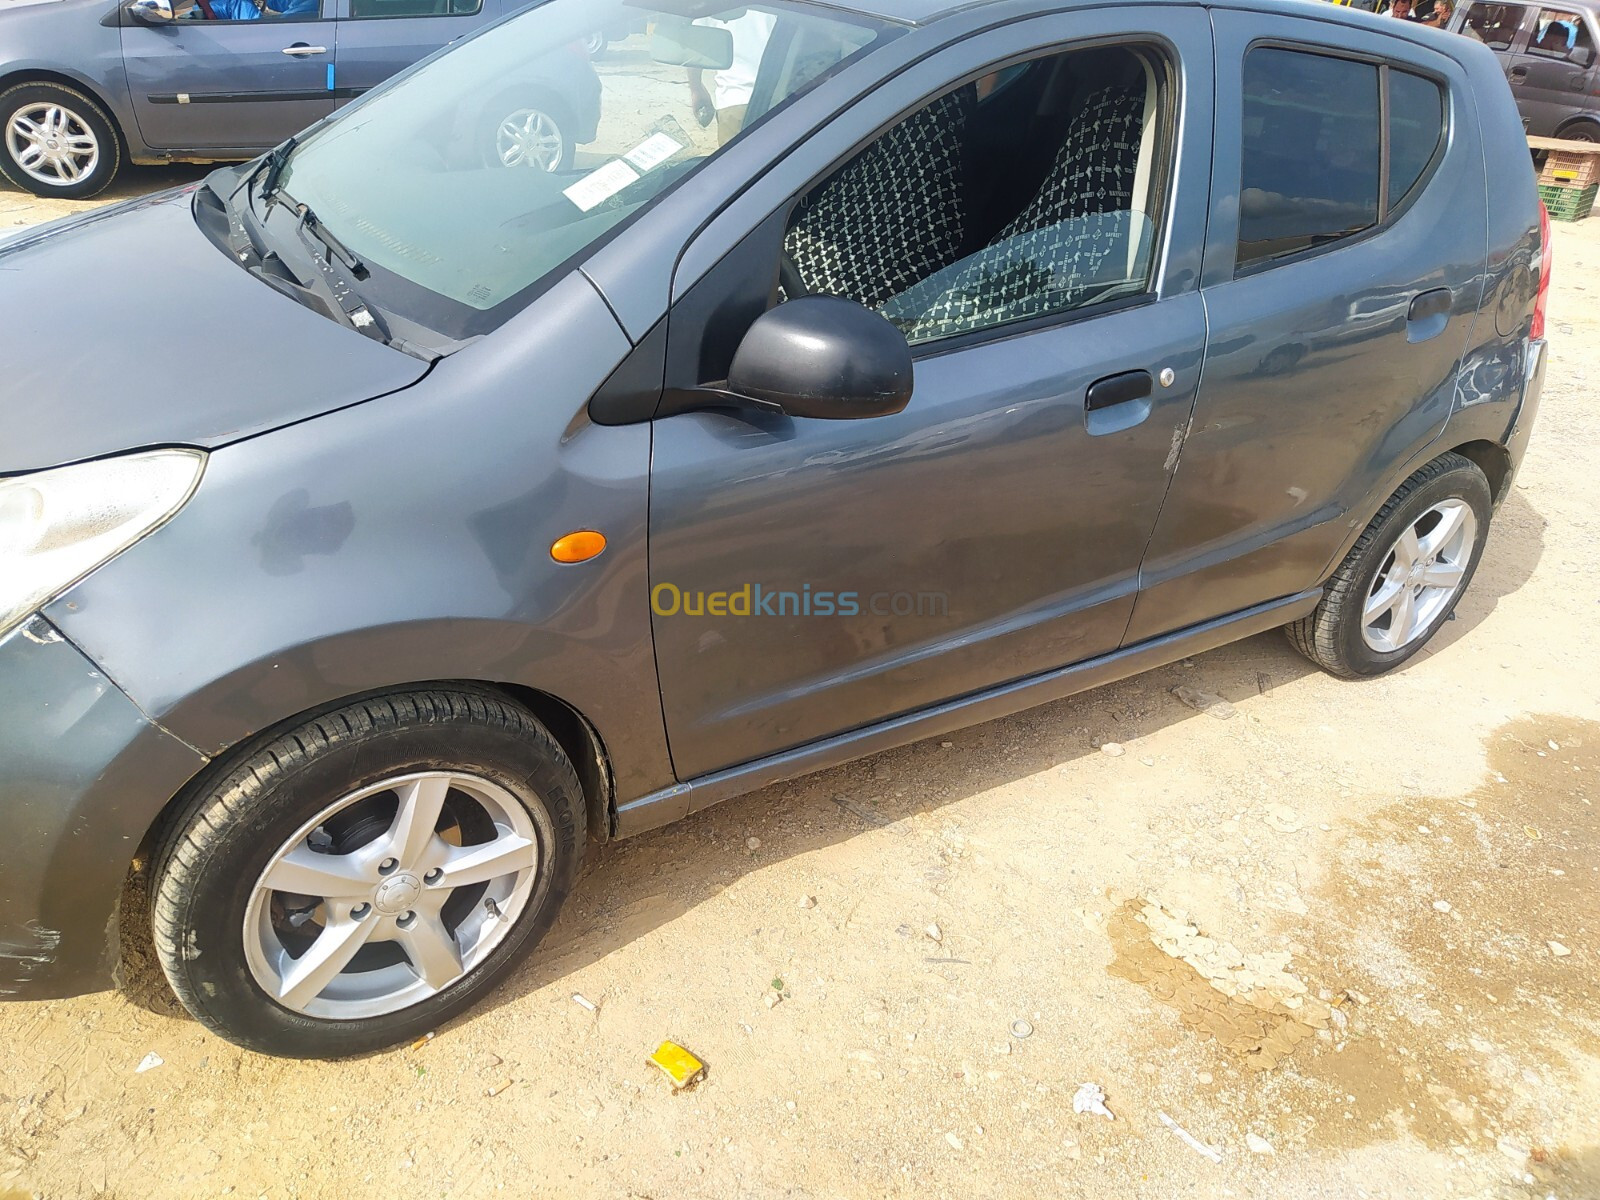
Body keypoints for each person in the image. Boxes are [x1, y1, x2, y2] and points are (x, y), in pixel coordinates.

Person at [688, 9, 778, 145]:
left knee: (736, 162)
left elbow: (695, 47)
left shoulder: (713, 6)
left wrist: (696, 88)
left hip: (734, 101)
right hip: (781, 101)